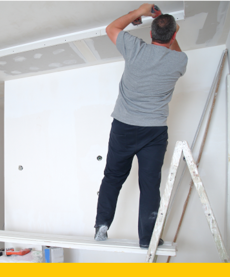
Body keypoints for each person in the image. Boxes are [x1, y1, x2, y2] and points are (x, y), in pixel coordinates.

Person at [94, 3, 188, 249]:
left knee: (113, 177)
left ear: (150, 34)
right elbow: (175, 50)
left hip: (124, 127)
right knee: (149, 185)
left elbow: (111, 28)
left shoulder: (135, 48)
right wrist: (171, 30)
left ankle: (102, 226)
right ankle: (147, 238)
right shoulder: (179, 62)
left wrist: (140, 12)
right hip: (154, 132)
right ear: (175, 35)